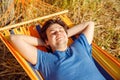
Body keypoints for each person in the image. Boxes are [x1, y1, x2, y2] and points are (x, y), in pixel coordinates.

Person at [10, 19, 106, 80]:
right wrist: (43, 42)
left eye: (60, 30)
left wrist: (64, 34)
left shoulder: (80, 46)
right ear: (47, 41)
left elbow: (90, 24)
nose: (58, 33)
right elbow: (14, 39)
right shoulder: (45, 60)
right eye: (53, 33)